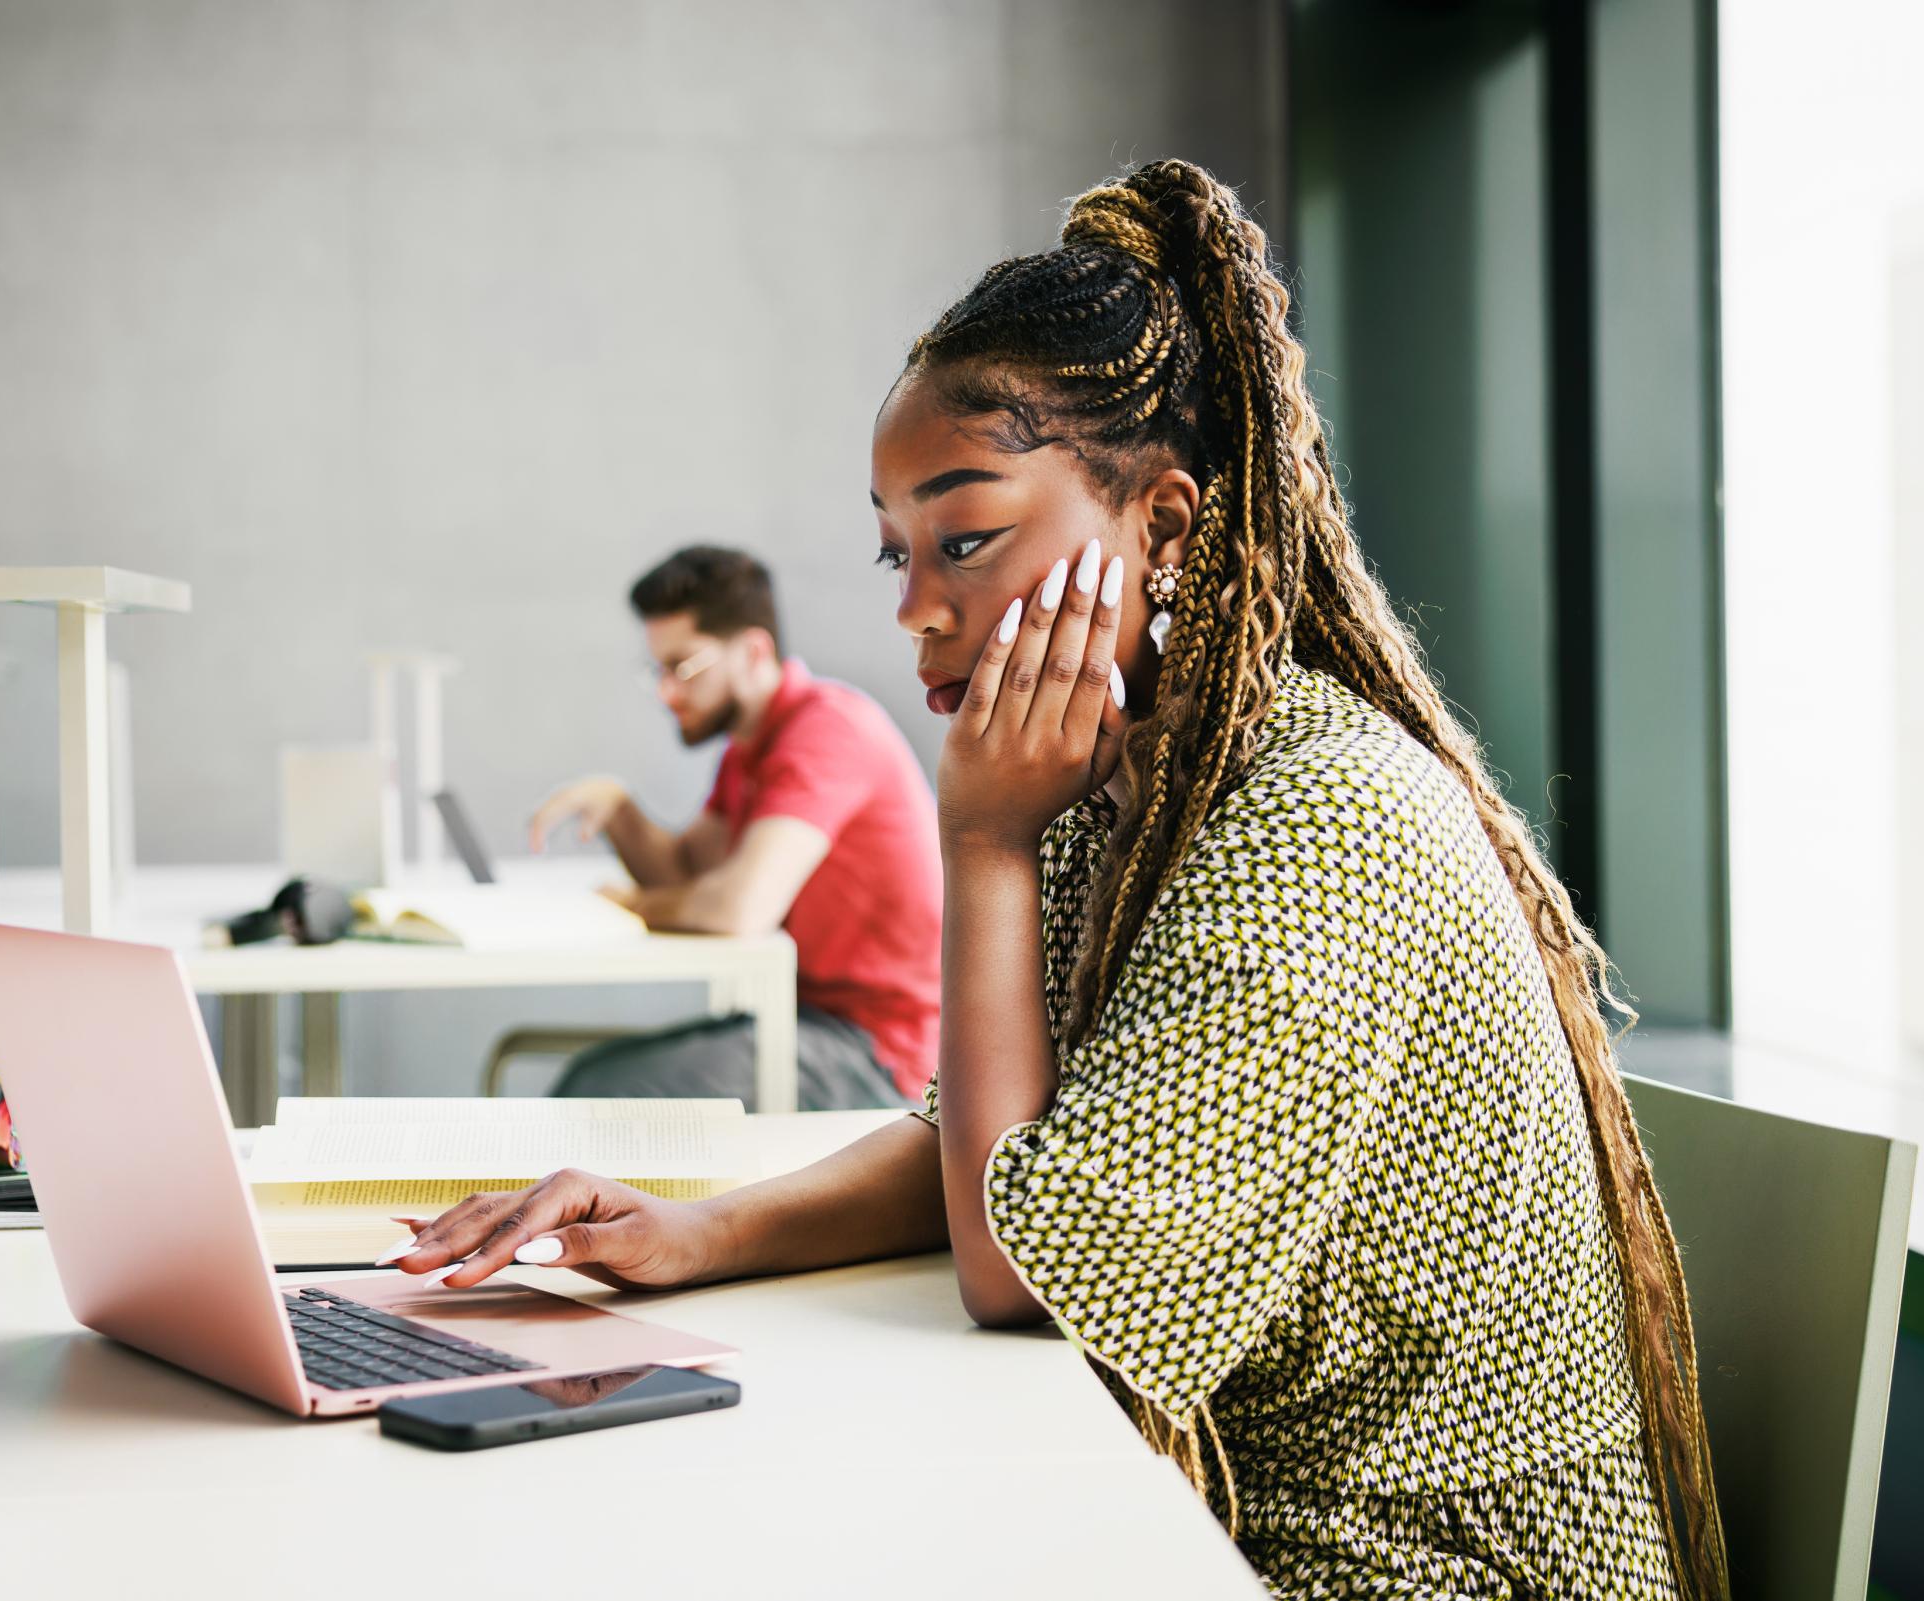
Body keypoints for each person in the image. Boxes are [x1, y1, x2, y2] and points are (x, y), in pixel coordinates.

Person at [406, 163, 1730, 1599]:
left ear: (1162, 528)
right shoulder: (1133, 786)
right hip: (1239, 1518)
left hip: (1415, 1566)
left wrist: (983, 845)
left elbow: (1025, 1272)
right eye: (897, 551)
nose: (914, 608)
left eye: (966, 539)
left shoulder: (1320, 815)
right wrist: (693, 1234)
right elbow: (983, 1151)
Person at [528, 546, 941, 1110]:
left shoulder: (827, 731)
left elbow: (737, 909)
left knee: (598, 1090)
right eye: (658, 670)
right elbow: (687, 875)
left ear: (753, 652)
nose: (666, 692)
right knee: (595, 1077)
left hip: (882, 1050)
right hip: (804, 1017)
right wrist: (620, 812)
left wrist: (628, 906)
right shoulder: (748, 747)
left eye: (683, 667)